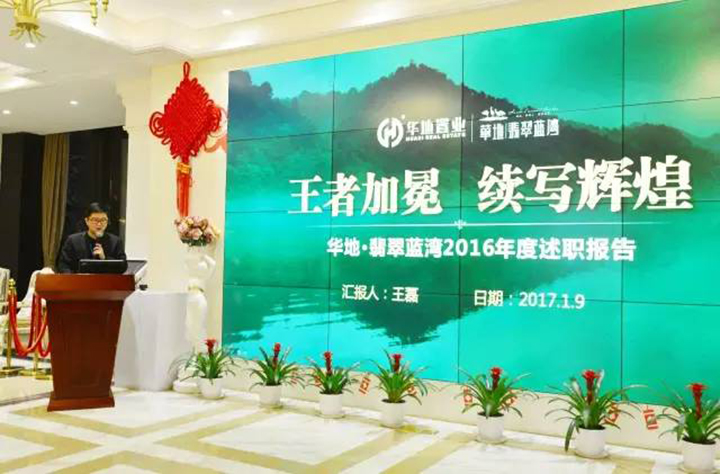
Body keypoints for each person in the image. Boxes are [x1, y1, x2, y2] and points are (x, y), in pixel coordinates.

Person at [57, 202, 127, 273]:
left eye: (103, 220)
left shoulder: (115, 242)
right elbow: (63, 265)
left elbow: (123, 267)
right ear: (87, 221)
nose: (99, 224)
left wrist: (105, 259)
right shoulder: (73, 241)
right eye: (95, 220)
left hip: (106, 280)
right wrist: (75, 277)